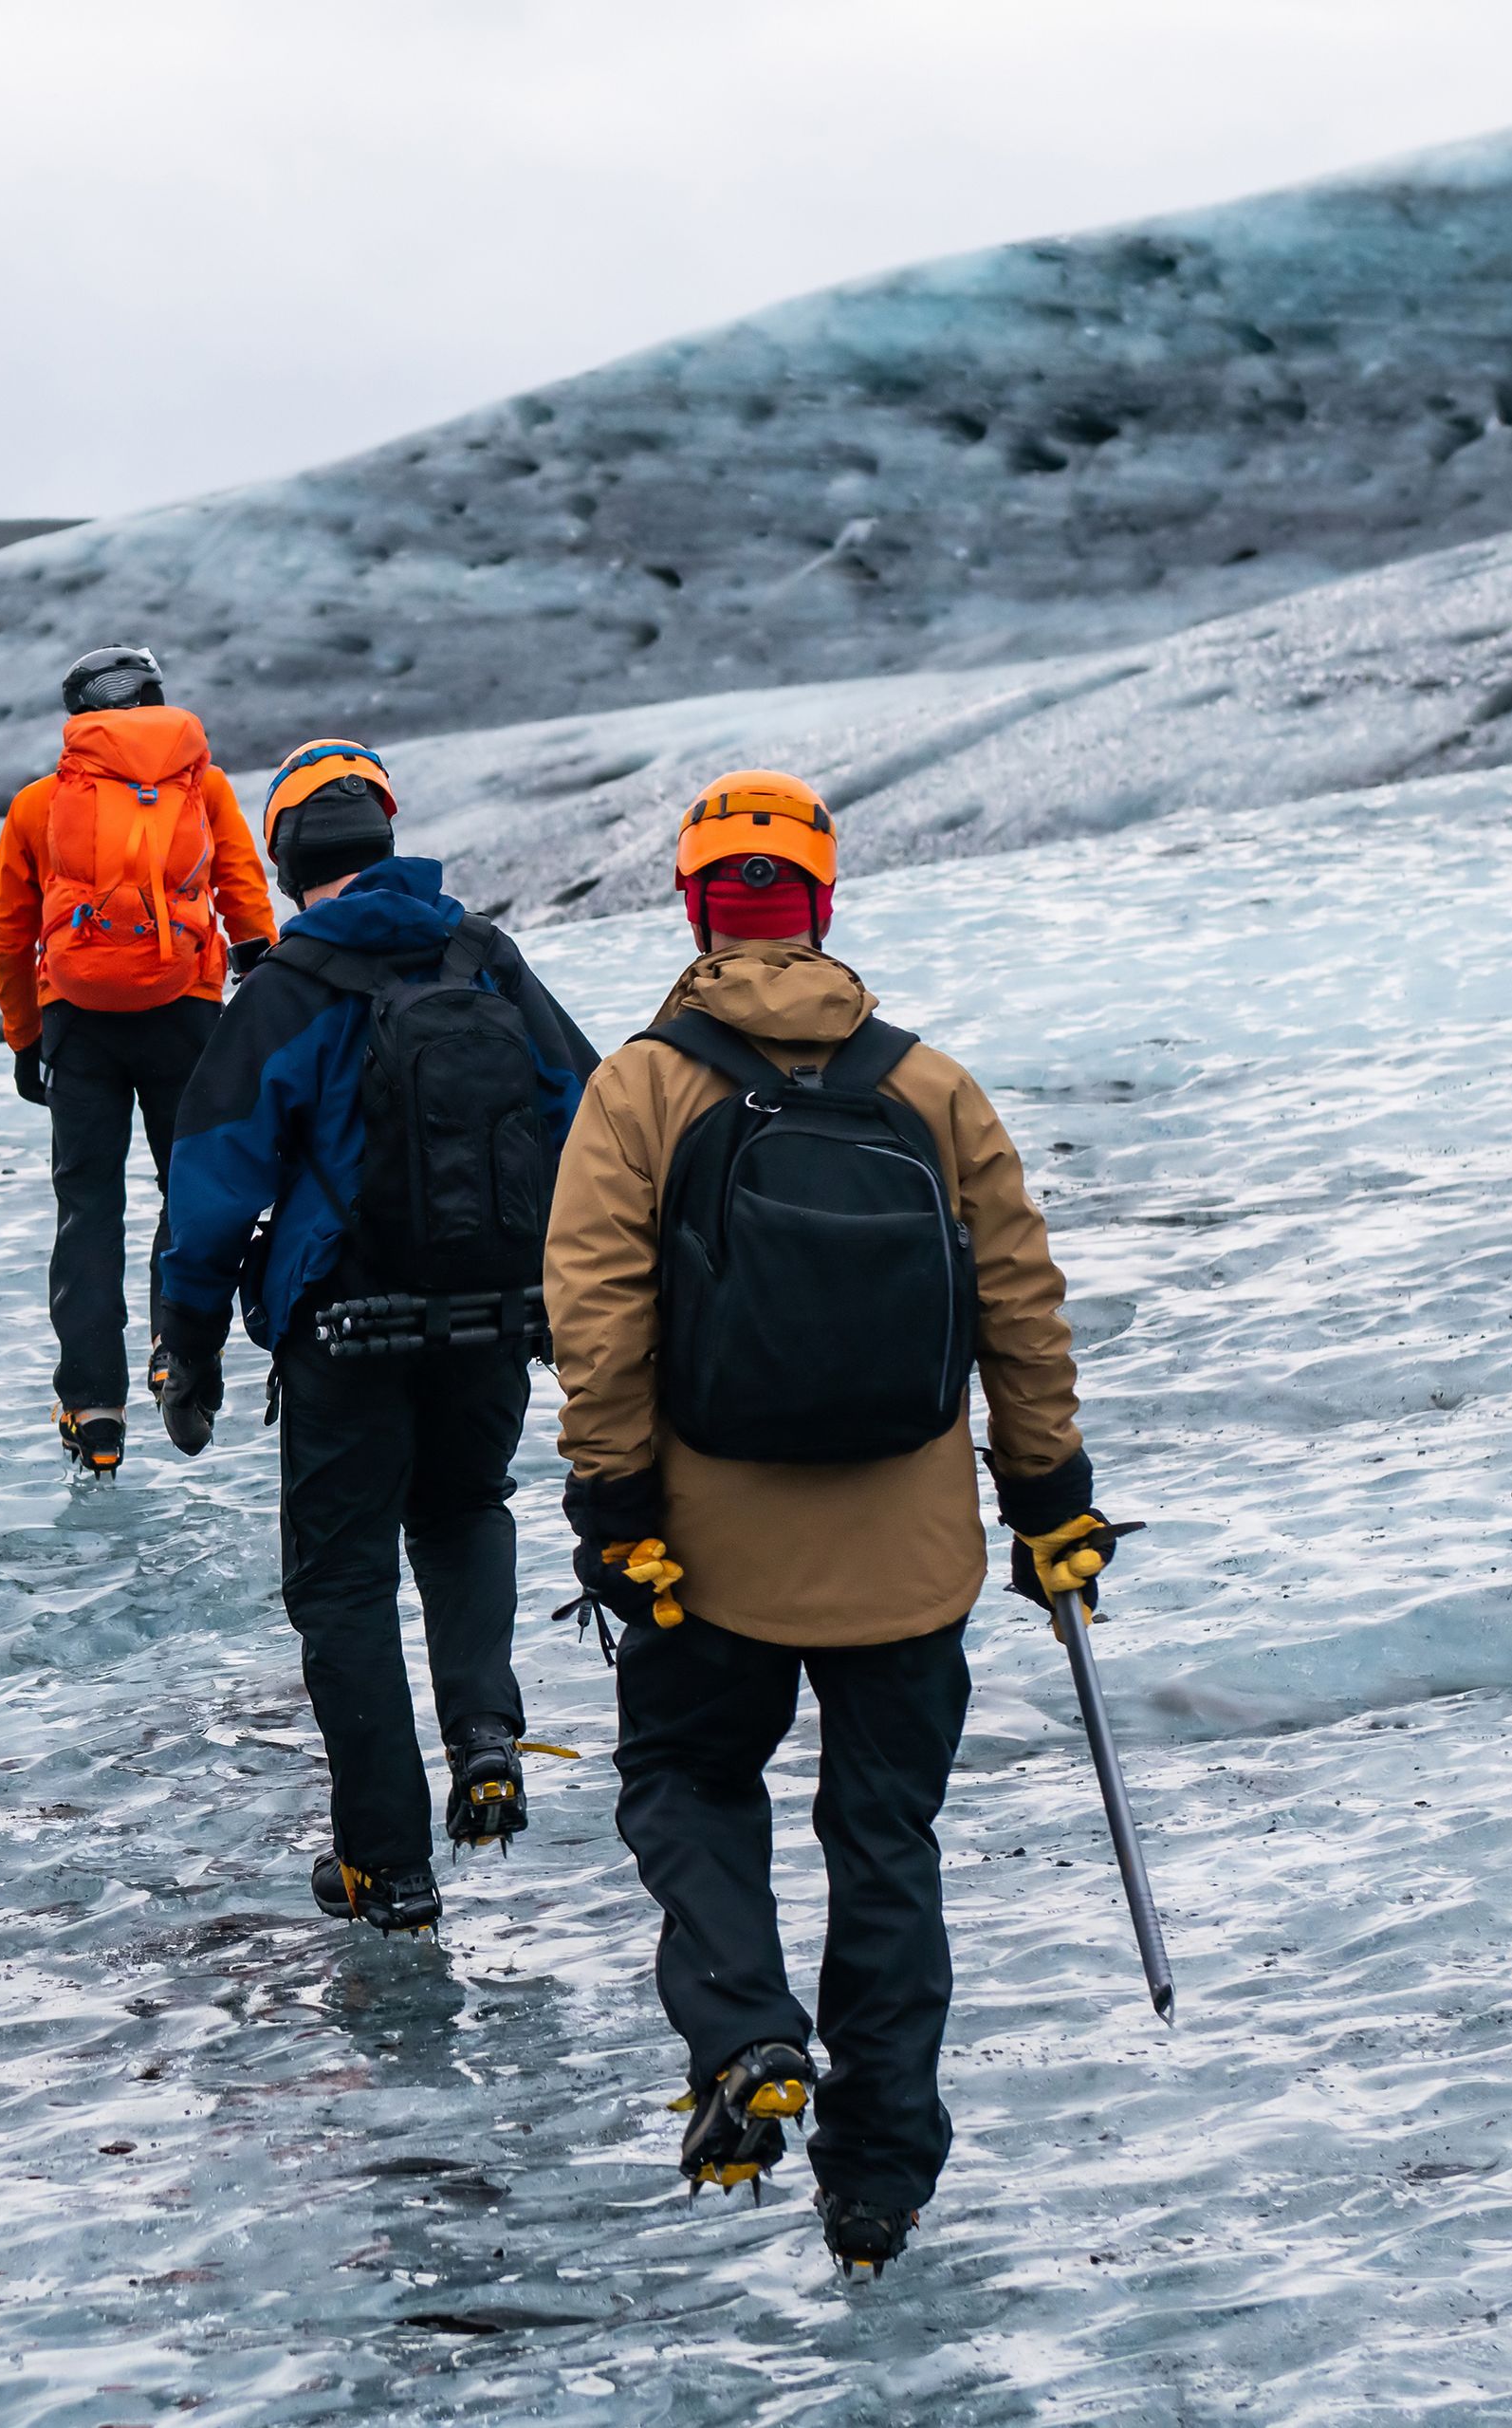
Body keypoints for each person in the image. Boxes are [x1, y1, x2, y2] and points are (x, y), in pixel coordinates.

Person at [541, 769, 1117, 2280]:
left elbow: (596, 1315)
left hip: (706, 1554)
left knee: (684, 1774)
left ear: (694, 905)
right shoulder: (928, 1086)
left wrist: (613, 1503)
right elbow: (1020, 1304)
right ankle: (877, 2184)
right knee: (887, 1844)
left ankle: (745, 2033)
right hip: (909, 1560)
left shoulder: (640, 1087)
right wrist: (1049, 1493)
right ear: (822, 901)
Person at [148, 739, 599, 1937]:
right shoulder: (485, 961)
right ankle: (486, 1734)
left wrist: (184, 1342)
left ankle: (386, 1864)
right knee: (462, 1512)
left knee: (344, 1589)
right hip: (498, 1316)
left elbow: (210, 1184)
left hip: (343, 1332)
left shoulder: (290, 990)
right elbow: (589, 1111)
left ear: (288, 859)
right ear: (386, 840)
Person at [0, 646, 279, 1477]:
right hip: (184, 1008)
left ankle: (94, 1408)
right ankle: (175, 1353)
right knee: (185, 1185)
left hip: (75, 1017)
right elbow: (242, 896)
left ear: (77, 716)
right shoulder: (203, 787)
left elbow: (9, 930)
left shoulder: (41, 803)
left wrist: (25, 1036)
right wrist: (258, 979)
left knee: (87, 1206)